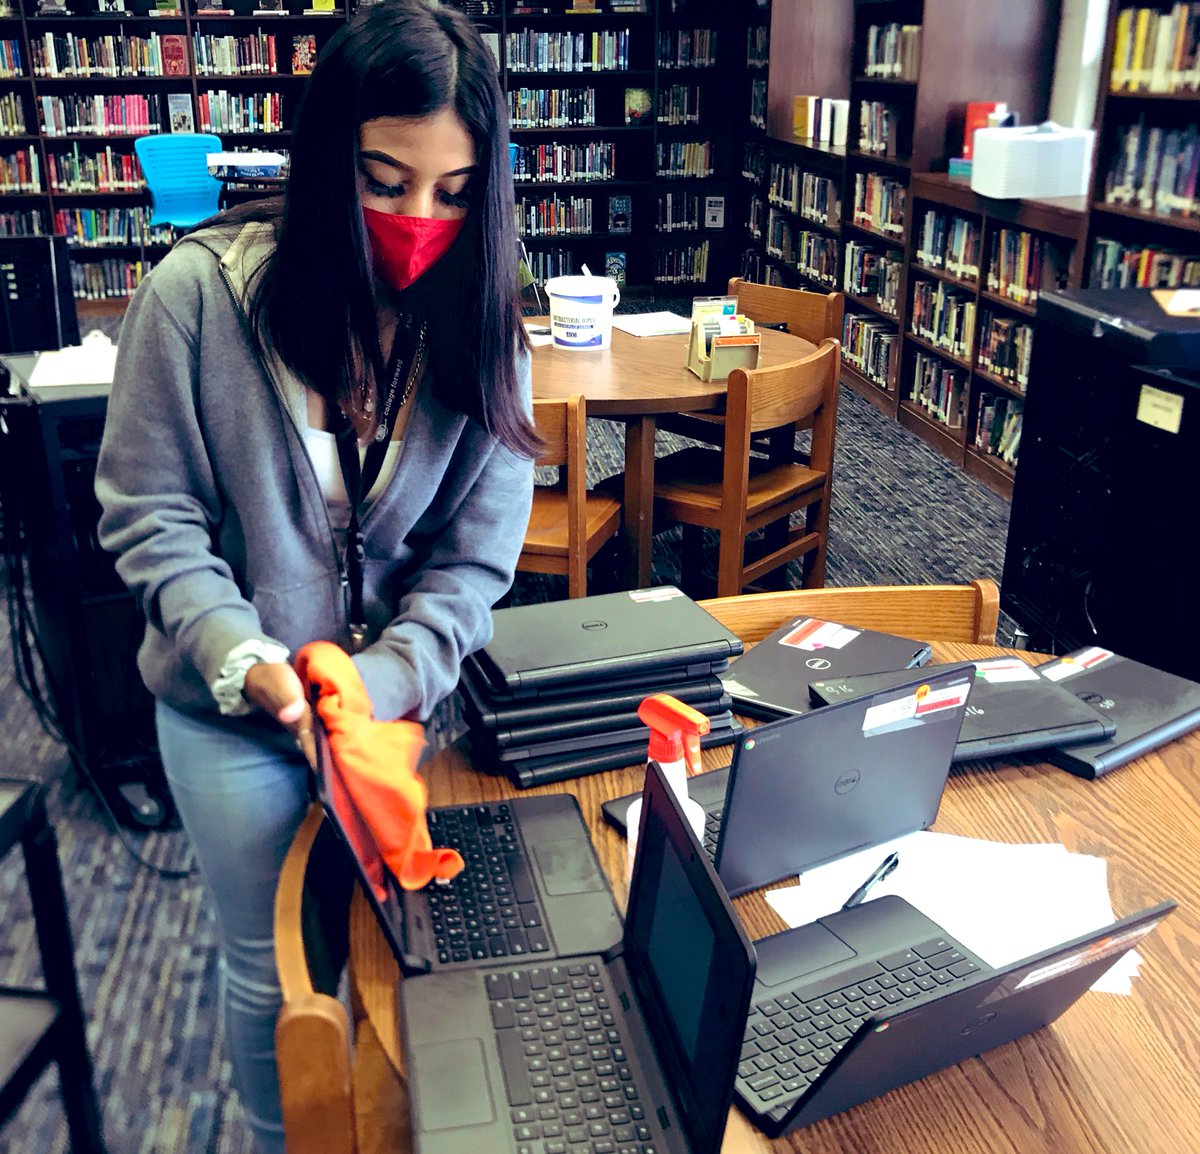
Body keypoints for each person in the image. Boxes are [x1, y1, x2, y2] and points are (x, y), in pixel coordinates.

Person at [94, 3, 536, 1149]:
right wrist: (252, 666)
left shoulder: (482, 316)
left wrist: (382, 682)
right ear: (325, 155)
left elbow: (476, 557)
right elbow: (153, 518)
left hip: (396, 715)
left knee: (402, 945)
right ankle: (277, 1131)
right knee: (273, 968)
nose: (417, 221)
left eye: (452, 191)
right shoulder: (194, 296)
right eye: (383, 181)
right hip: (232, 718)